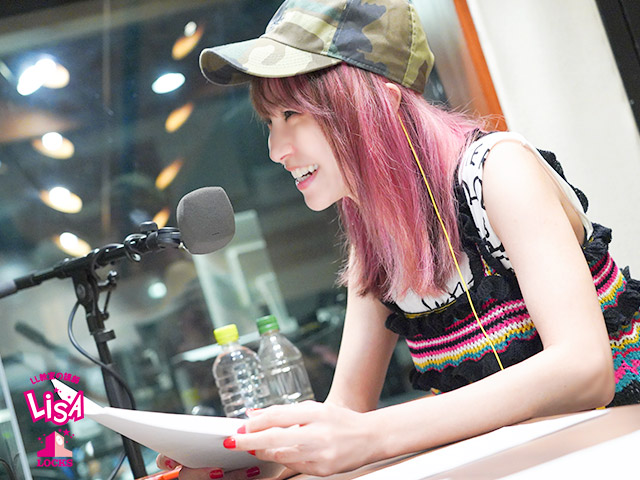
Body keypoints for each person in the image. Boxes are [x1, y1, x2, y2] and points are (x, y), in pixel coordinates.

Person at [157, 0, 640, 478]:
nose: (276, 150)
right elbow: (347, 410)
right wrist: (238, 461)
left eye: (292, 114)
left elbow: (584, 369)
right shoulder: (374, 232)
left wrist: (373, 436)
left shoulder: (497, 171)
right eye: (270, 122)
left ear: (382, 103)